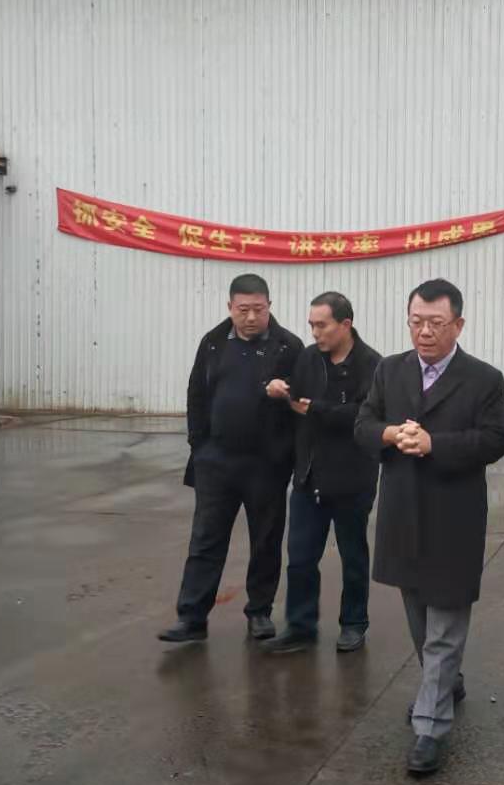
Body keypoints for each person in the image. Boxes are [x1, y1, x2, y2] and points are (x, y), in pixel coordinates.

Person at [355, 279, 504, 776]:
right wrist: (388, 433)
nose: (424, 332)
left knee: (445, 622)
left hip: (453, 516)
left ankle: (430, 726)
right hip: (403, 511)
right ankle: (445, 683)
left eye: (436, 323)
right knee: (418, 613)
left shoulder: (483, 379)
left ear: (458, 325)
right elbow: (362, 425)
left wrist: (434, 445)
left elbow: (495, 439)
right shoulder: (390, 370)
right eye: (416, 322)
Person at [158, 273, 303, 644]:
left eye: (258, 309)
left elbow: (302, 403)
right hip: (217, 462)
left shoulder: (288, 347)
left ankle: (259, 613)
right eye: (243, 310)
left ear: (269, 306)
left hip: (266, 465)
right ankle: (192, 617)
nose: (251, 317)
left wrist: (285, 451)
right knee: (206, 540)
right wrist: (199, 446)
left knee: (265, 541)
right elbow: (196, 393)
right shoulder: (213, 342)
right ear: (230, 307)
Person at [261, 292, 382, 655]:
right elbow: (296, 398)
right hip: (309, 475)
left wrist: (317, 410)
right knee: (299, 558)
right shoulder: (308, 359)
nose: (315, 333)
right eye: (312, 325)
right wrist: (278, 388)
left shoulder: (372, 365)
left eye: (322, 325)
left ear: (345, 324)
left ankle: (354, 623)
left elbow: (365, 415)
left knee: (353, 557)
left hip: (351, 478)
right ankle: (300, 626)